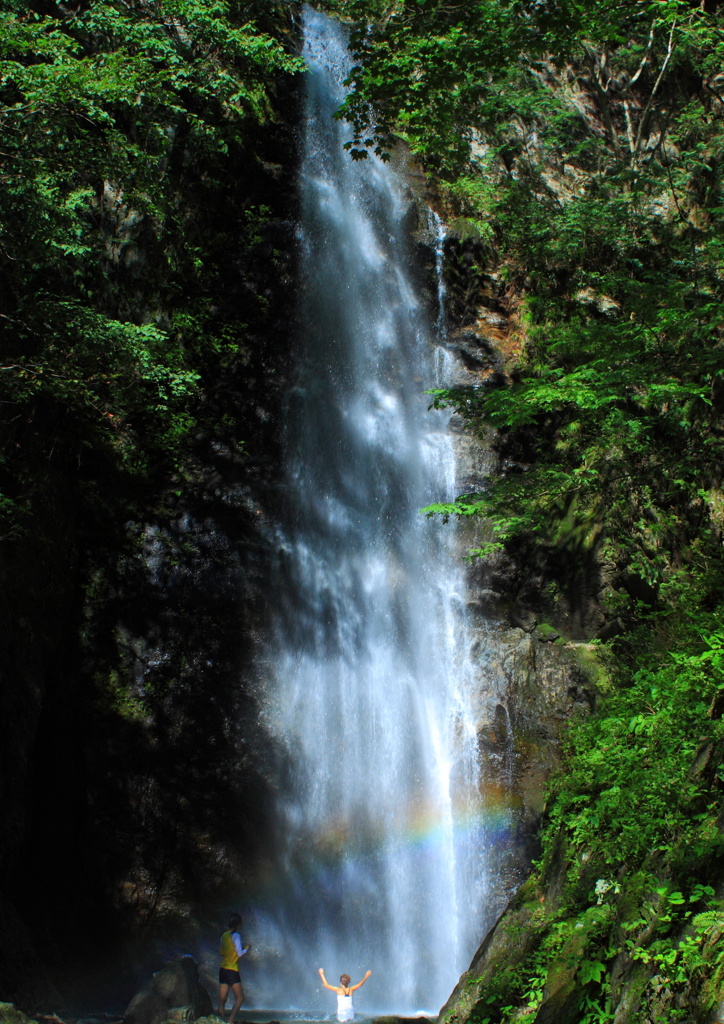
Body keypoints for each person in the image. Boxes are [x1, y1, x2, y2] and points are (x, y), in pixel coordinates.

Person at [218, 912, 251, 1024]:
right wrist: (247, 948)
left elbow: (221, 952)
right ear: (238, 924)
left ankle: (221, 1020)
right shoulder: (236, 935)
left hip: (223, 969)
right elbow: (240, 953)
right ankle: (230, 1021)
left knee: (222, 999)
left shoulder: (224, 935)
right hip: (232, 970)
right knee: (240, 998)